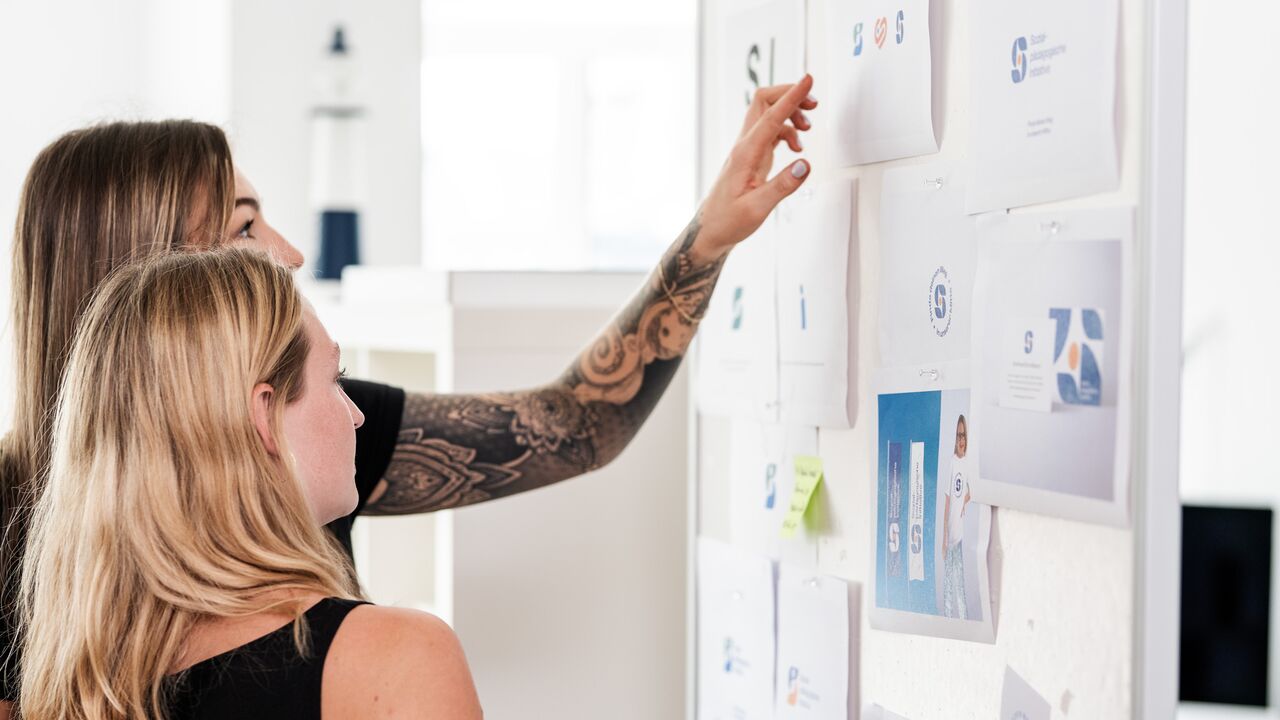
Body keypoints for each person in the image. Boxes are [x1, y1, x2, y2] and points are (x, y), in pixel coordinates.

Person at [0, 76, 818, 714]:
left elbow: (575, 425)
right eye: (244, 229)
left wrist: (709, 236)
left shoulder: (323, 428)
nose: (288, 255)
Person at [20, 247, 483, 719]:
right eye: (336, 379)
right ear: (266, 414)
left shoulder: (73, 685)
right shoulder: (394, 661)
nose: (358, 415)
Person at [941, 413, 971, 619]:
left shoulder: (968, 464)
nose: (961, 440)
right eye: (959, 435)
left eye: (964, 435)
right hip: (950, 534)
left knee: (959, 581)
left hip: (959, 536)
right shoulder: (952, 463)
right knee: (948, 582)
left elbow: (972, 491)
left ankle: (963, 621)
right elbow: (947, 501)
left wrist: (964, 503)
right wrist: (944, 539)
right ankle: (948, 619)